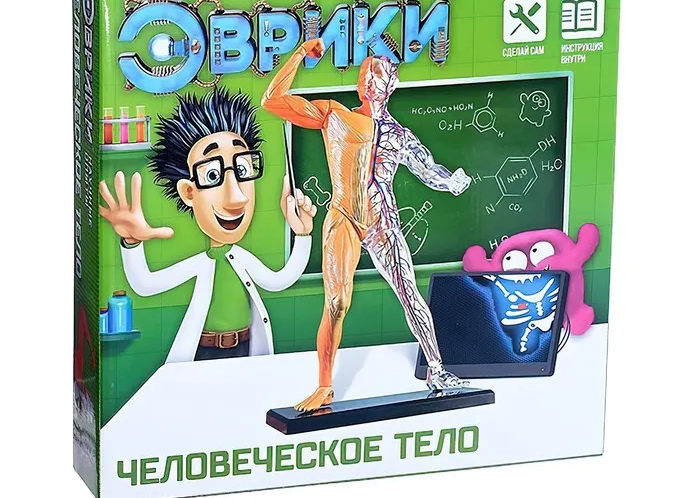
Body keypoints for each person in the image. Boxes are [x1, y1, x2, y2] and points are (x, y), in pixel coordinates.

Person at [262, 39, 472, 411]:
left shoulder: (400, 136)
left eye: (378, 73)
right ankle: (324, 386)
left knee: (409, 293)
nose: (370, 79)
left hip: (382, 222)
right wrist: (299, 54)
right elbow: (273, 101)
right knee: (337, 302)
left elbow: (428, 170)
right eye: (366, 73)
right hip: (344, 216)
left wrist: (452, 182)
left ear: (392, 84)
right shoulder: (335, 115)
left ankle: (437, 370)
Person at [99, 87, 317, 361]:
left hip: (246, 350)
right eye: (213, 174)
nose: (236, 197)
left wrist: (303, 234)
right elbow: (145, 285)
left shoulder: (242, 258)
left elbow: (279, 281)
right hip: (203, 354)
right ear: (188, 192)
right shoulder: (200, 264)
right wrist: (131, 242)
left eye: (242, 170)